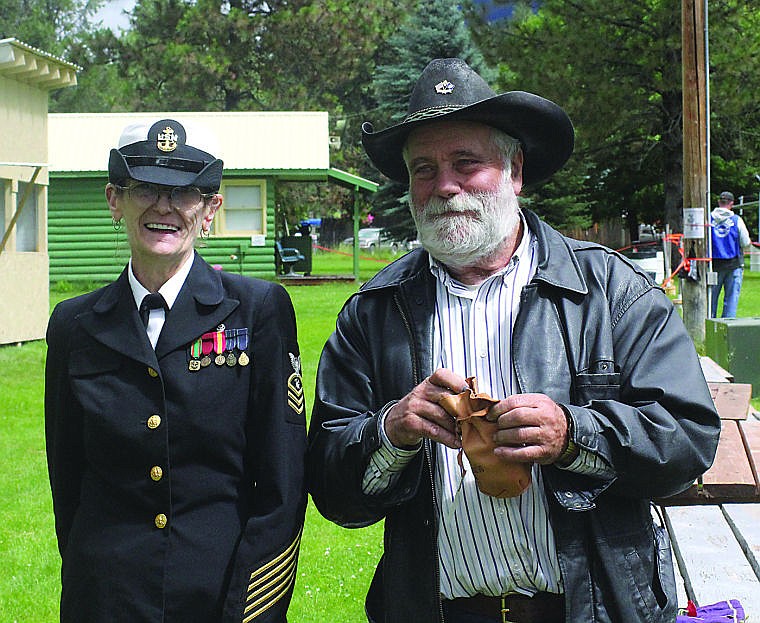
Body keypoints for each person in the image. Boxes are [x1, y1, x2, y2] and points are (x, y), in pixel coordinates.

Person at [306, 58, 720, 623]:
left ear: (515, 170)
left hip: (590, 610)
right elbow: (334, 494)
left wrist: (574, 434)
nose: (444, 185)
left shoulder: (611, 293)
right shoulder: (374, 314)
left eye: (465, 163)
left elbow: (689, 439)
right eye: (423, 169)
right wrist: (392, 430)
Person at [45, 118, 306, 622]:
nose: (163, 207)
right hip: (104, 600)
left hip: (219, 599)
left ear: (210, 209)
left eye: (184, 193)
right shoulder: (75, 325)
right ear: (114, 200)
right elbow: (69, 485)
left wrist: (250, 610)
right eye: (145, 188)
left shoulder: (257, 311)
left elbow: (282, 488)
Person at [710, 190, 751, 318]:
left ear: (719, 202)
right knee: (731, 301)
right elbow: (745, 242)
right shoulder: (736, 220)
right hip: (733, 266)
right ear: (731, 203)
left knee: (711, 300)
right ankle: (728, 329)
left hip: (714, 266)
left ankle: (710, 326)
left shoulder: (709, 219)